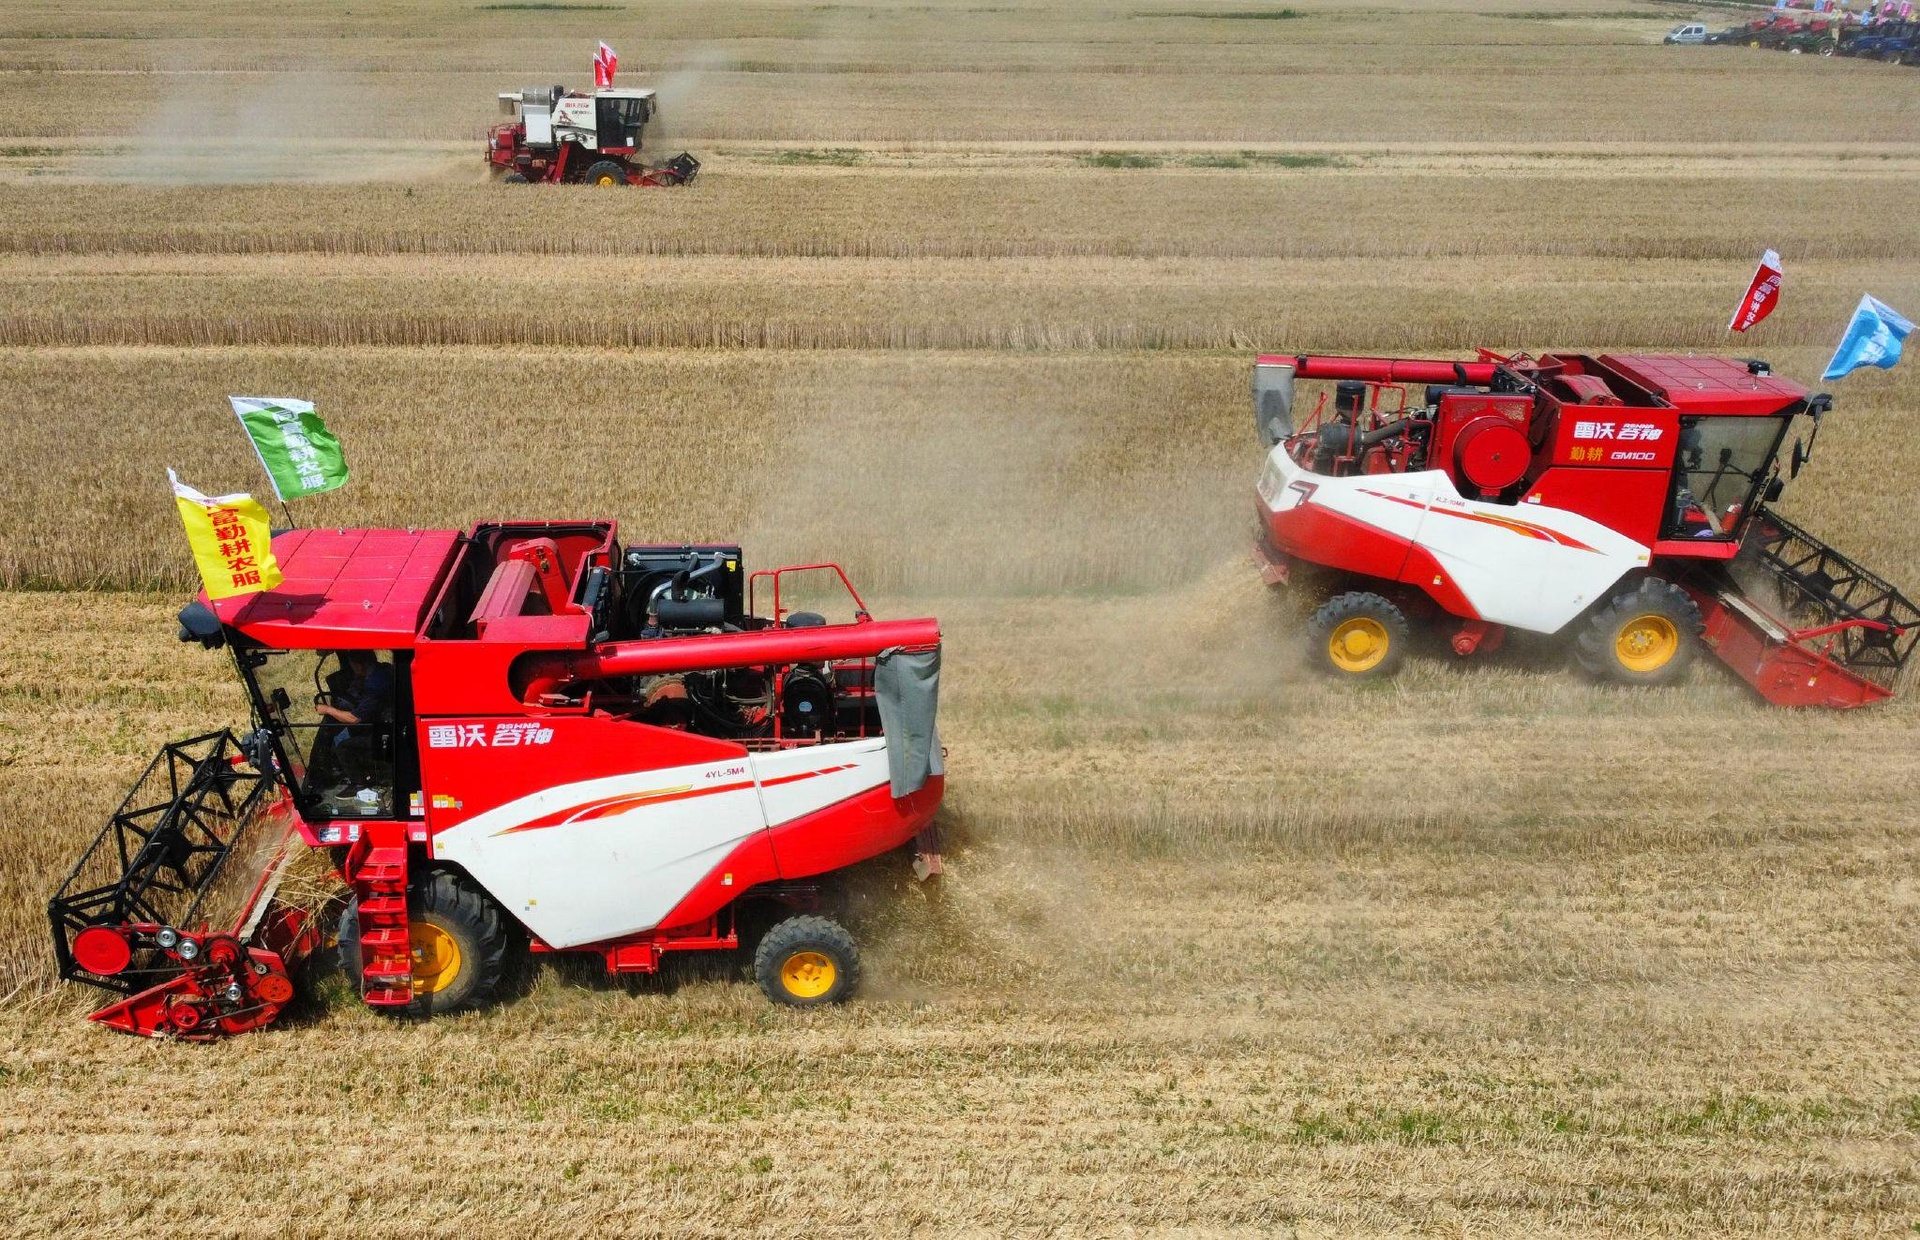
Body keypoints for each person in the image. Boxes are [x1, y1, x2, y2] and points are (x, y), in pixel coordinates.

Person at [315, 650, 395, 799]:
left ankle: (359, 785)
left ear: (359, 666)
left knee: (342, 746)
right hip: (385, 726)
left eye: (352, 666)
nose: (353, 670)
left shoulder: (375, 684)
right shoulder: (381, 671)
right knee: (345, 734)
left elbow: (354, 719)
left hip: (385, 734)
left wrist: (328, 709)